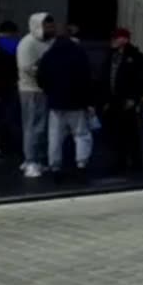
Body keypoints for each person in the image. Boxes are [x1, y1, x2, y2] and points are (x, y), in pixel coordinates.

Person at [37, 25, 95, 181]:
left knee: (55, 136)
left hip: (56, 102)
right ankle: (81, 164)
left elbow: (41, 78)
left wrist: (50, 91)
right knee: (81, 134)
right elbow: (87, 78)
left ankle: (55, 166)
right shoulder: (79, 53)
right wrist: (88, 100)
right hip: (77, 102)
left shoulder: (49, 55)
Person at [99, 28, 143, 175]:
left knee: (130, 132)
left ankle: (135, 162)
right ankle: (118, 161)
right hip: (112, 100)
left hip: (127, 100)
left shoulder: (136, 57)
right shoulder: (110, 56)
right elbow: (104, 77)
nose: (113, 41)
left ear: (125, 40)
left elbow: (141, 79)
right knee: (114, 133)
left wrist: (134, 98)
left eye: (116, 38)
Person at [16, 12, 56, 178]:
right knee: (32, 126)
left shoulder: (49, 42)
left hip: (45, 89)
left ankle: (38, 159)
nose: (51, 29)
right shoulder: (27, 44)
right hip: (31, 90)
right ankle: (30, 160)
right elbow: (27, 68)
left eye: (51, 25)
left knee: (42, 127)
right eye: (47, 26)